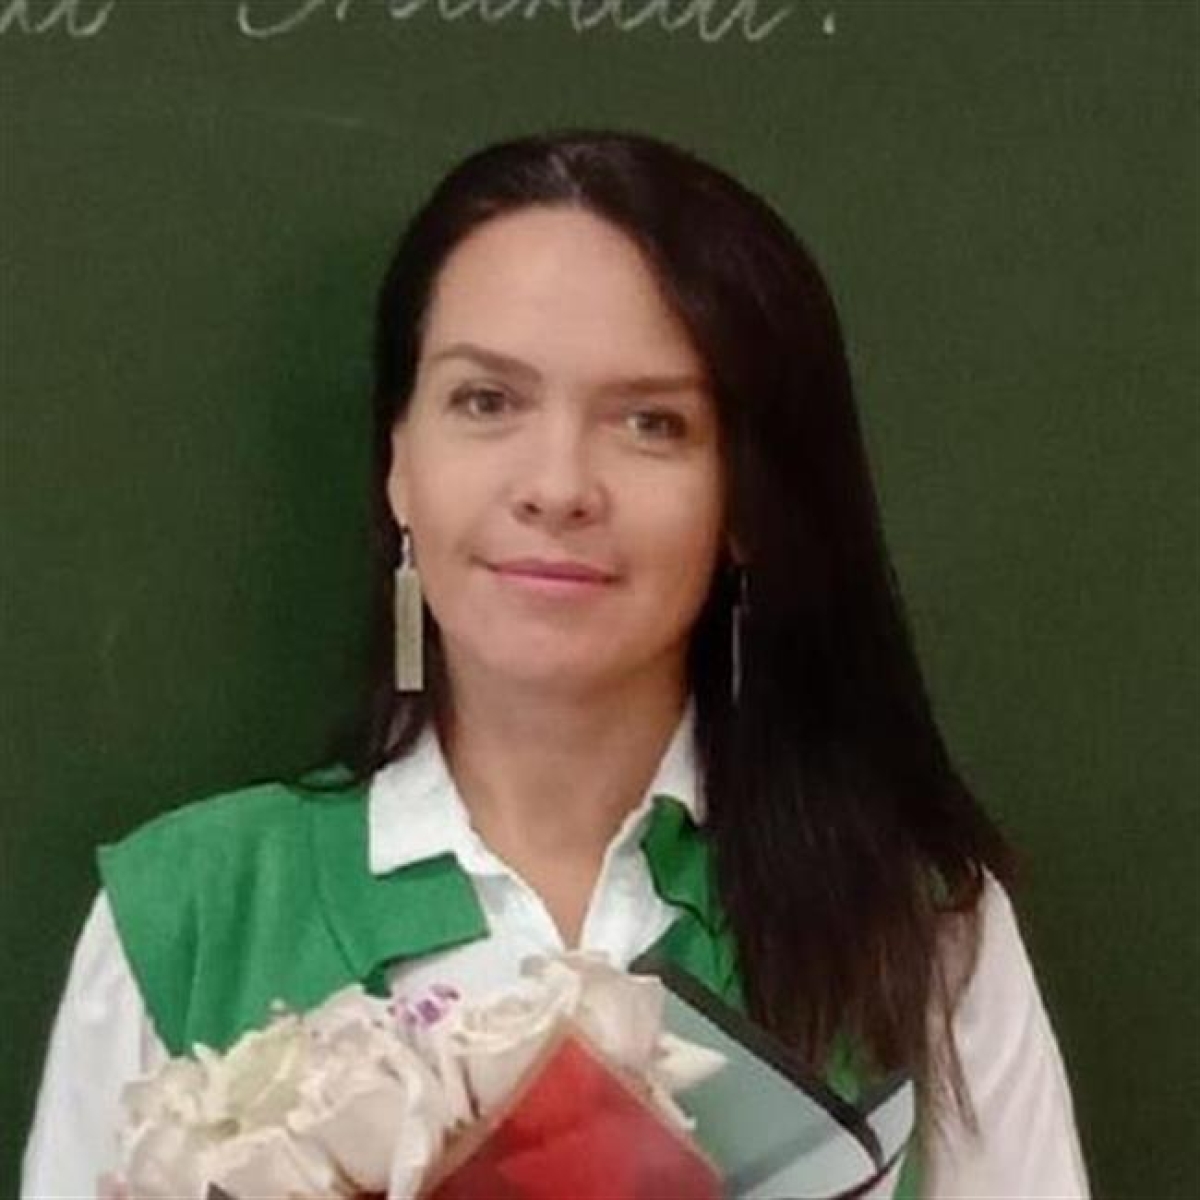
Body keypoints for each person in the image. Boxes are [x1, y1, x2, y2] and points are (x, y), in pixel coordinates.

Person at [21, 129, 1089, 1198]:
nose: (559, 485)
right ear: (399, 462)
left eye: (652, 423)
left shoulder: (920, 932)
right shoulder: (192, 920)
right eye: (487, 401)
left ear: (746, 501)